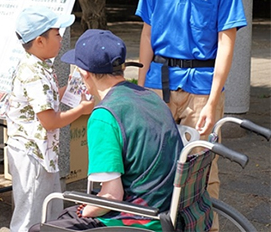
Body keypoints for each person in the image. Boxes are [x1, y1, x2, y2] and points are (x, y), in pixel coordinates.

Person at [135, 0, 247, 229]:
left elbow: (227, 42)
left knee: (202, 170)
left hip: (202, 89)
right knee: (154, 162)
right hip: (160, 82)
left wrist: (213, 101)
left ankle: (203, 227)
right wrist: (142, 85)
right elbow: (147, 33)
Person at [30, 29, 183, 231]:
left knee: (41, 228)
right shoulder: (150, 96)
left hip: (138, 218)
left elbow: (111, 195)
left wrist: (83, 211)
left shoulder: (104, 116)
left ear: (84, 73)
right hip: (170, 209)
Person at [6, 6, 95, 231]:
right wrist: (81, 110)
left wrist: (73, 90)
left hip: (42, 152)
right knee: (30, 215)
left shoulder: (40, 65)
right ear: (40, 41)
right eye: (56, 33)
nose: (61, 37)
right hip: (32, 154)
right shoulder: (34, 73)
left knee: (48, 209)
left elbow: (50, 97)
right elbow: (50, 121)